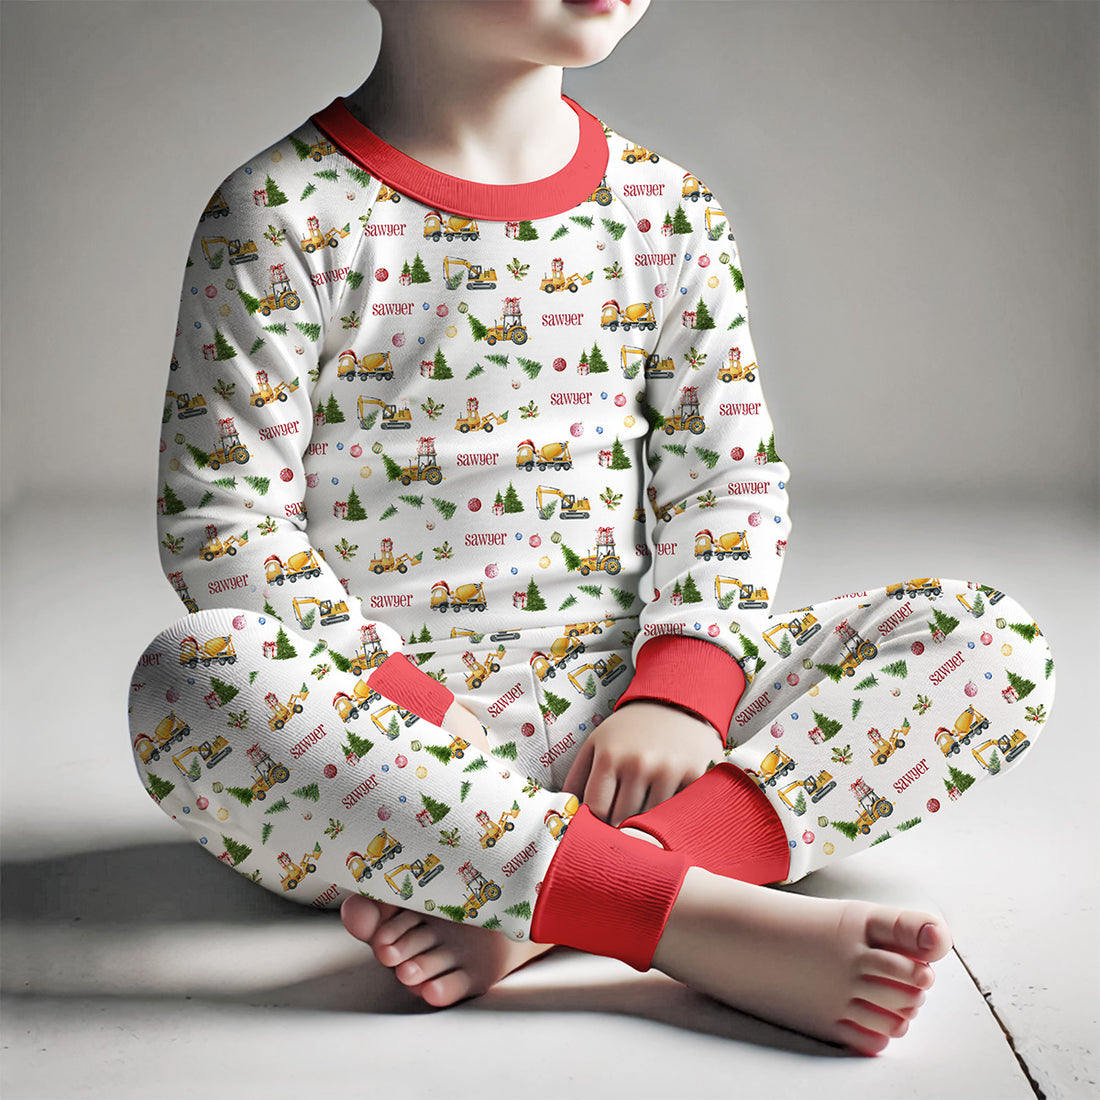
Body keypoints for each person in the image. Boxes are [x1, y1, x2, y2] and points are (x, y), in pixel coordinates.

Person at [129, 0, 1055, 1057]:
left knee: (985, 646)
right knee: (188, 679)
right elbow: (224, 521)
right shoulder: (279, 212)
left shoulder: (667, 210)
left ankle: (546, 904)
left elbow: (727, 483)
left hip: (636, 732)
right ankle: (676, 908)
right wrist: (413, 712)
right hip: (389, 765)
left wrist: (682, 691)